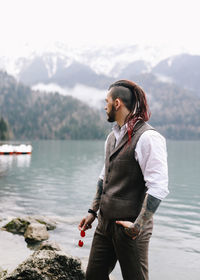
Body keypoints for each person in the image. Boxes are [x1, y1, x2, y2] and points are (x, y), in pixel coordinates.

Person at [79, 79, 169, 280]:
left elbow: (158, 187)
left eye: (107, 101)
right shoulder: (111, 138)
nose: (105, 106)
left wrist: (137, 226)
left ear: (117, 103)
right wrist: (92, 211)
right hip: (104, 225)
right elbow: (104, 177)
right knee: (93, 277)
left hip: (131, 230)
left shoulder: (148, 138)